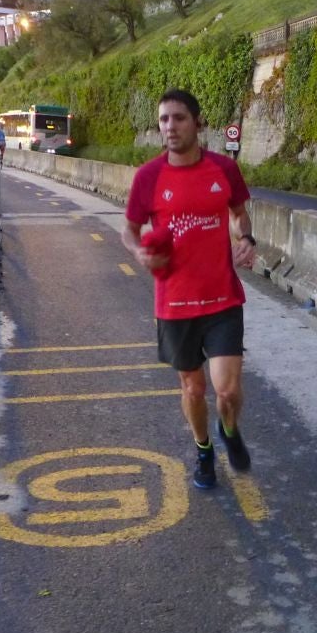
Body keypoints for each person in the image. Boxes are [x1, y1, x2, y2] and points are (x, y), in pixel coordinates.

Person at [122, 89, 258, 490]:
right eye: (164, 119)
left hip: (222, 298)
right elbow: (129, 231)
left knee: (227, 391)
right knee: (193, 388)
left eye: (179, 118)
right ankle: (203, 450)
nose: (170, 126)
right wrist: (140, 253)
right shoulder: (148, 177)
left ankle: (229, 430)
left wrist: (245, 238)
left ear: (197, 123)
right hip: (175, 304)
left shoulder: (223, 169)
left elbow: (239, 213)